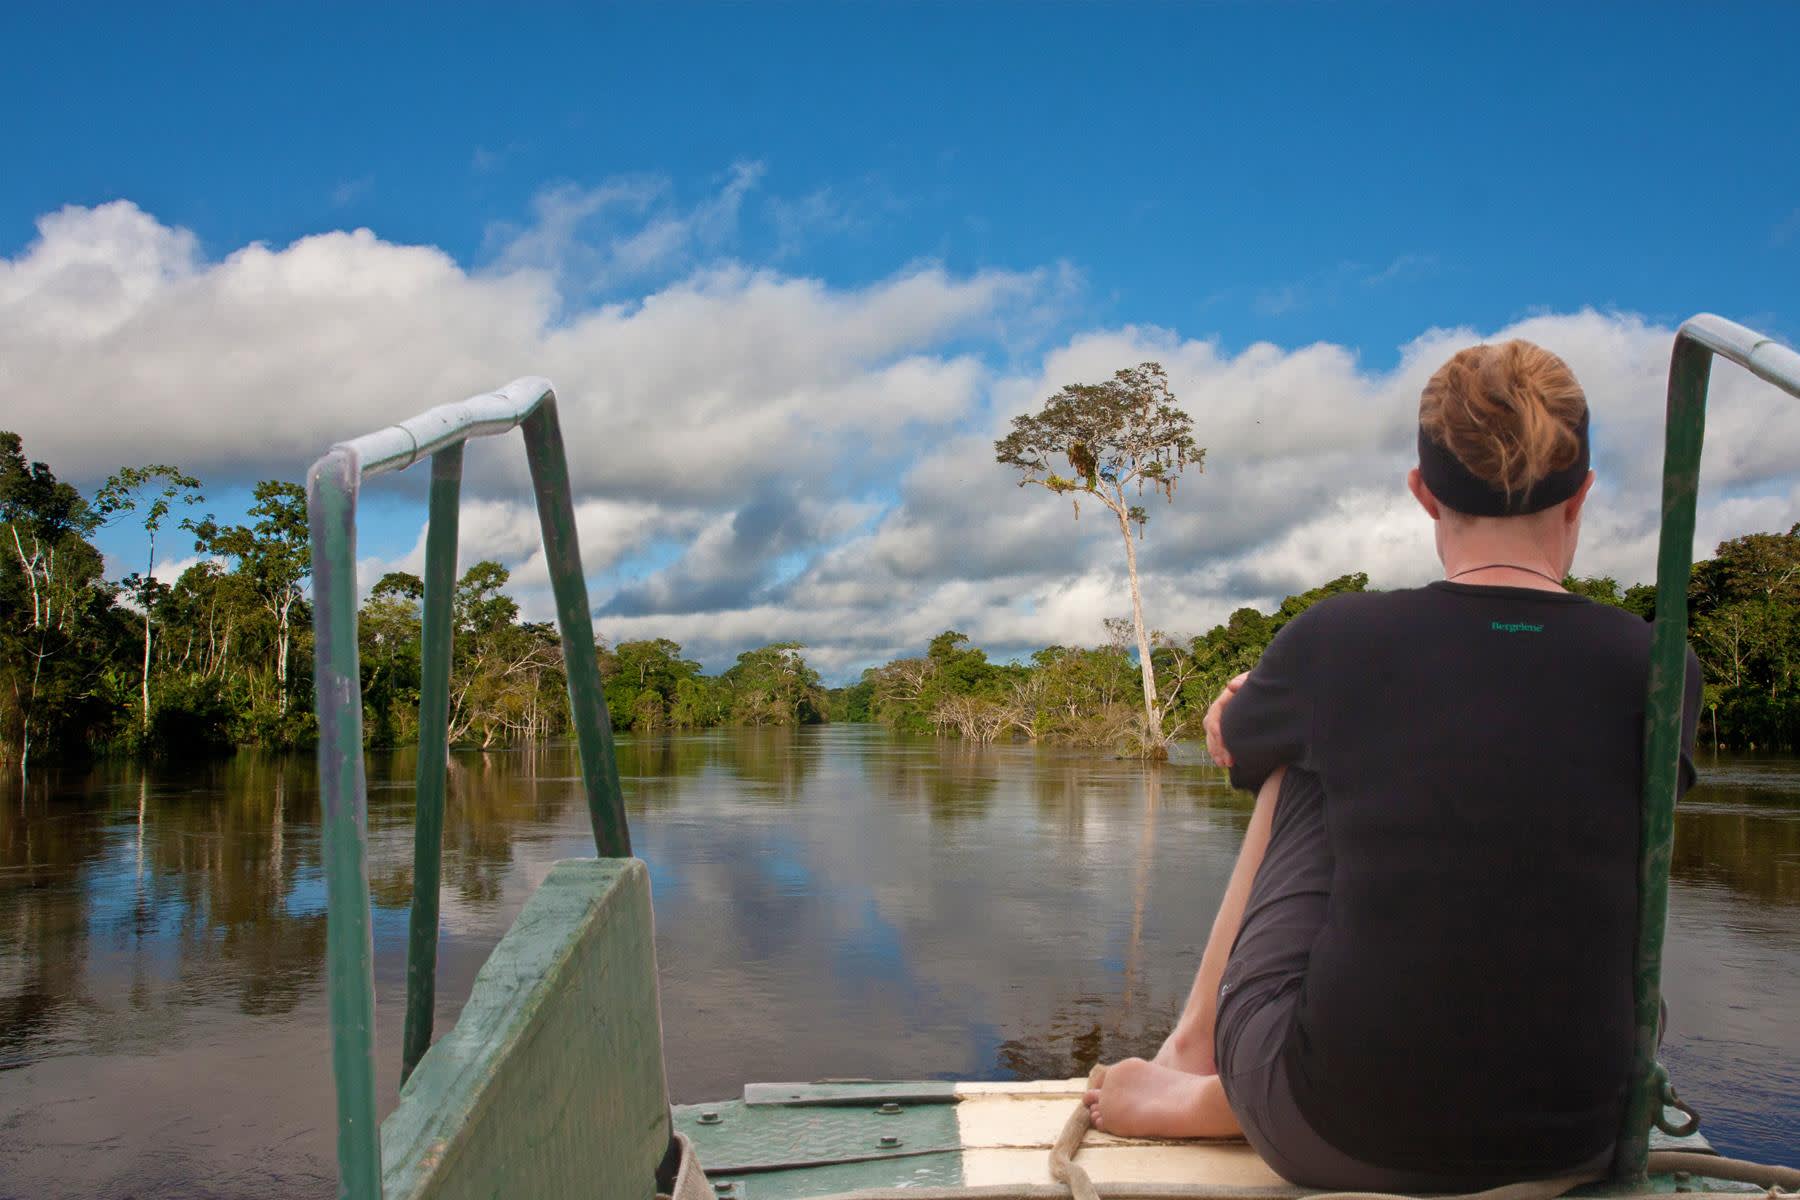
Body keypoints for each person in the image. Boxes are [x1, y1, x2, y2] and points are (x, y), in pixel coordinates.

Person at [1084, 340, 1702, 1189]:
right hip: (1582, 1137)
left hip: (1336, 1133)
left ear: (1422, 493)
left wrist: (1239, 704)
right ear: (1584, 493)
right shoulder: (1659, 663)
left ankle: (1198, 1061)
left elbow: (1233, 749)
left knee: (1296, 765)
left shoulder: (1338, 641)